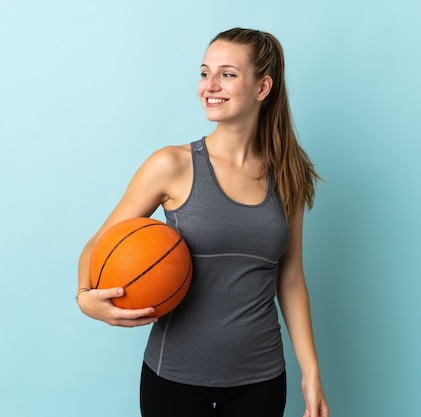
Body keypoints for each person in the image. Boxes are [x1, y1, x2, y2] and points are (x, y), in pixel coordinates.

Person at [76, 27, 329, 417]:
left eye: (227, 74)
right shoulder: (171, 165)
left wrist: (311, 374)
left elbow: (291, 276)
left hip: (260, 382)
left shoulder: (289, 173)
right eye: (204, 72)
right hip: (173, 381)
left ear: (262, 88)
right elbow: (99, 246)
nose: (209, 85)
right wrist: (85, 298)